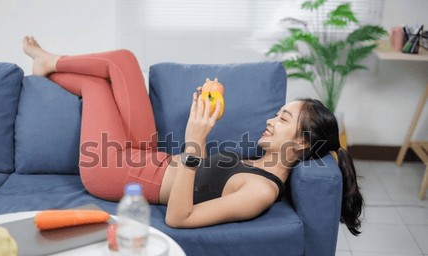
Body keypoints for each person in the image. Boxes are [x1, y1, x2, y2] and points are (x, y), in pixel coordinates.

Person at [23, 36, 363, 235]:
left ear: (302, 142)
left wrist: (194, 139)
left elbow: (179, 217)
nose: (272, 119)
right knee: (123, 61)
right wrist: (205, 112)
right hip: (147, 154)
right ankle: (49, 63)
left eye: (283, 117)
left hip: (115, 170)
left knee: (95, 86)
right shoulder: (259, 163)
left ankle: (44, 66)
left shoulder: (259, 191)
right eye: (277, 113)